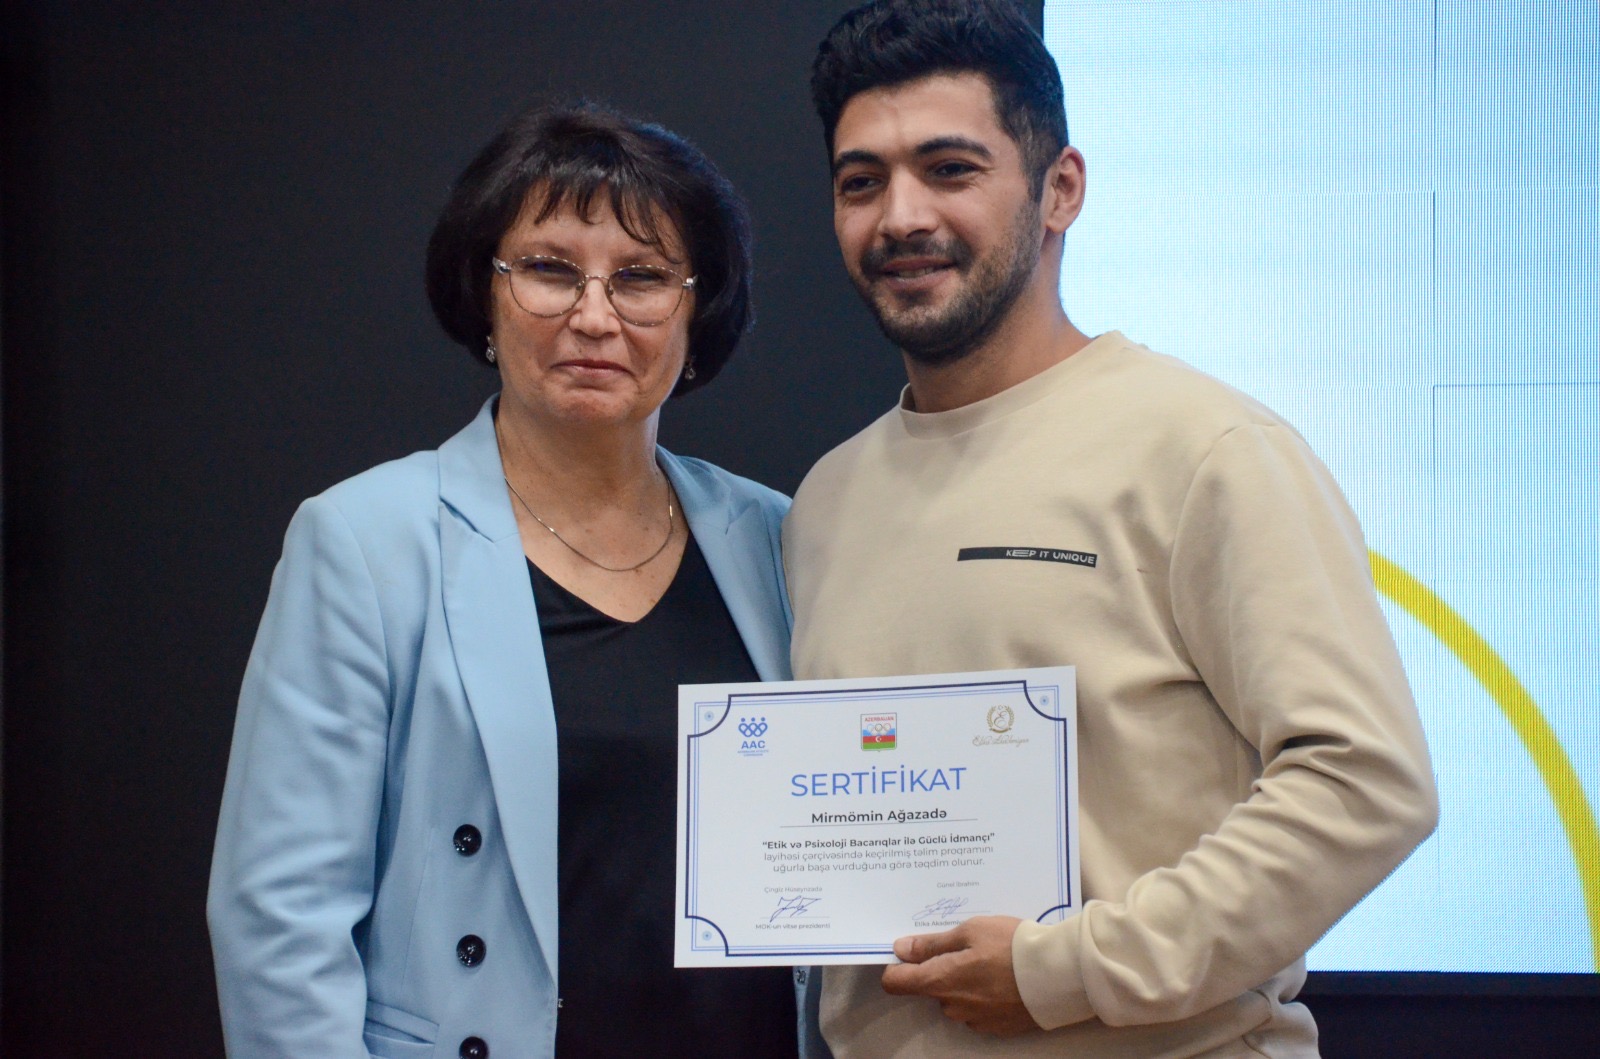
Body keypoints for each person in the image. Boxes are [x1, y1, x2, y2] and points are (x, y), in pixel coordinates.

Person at [781, 2, 1439, 1056]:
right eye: (862, 182)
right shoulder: (825, 499)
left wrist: (1066, 969)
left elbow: (1367, 782)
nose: (900, 216)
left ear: (1060, 190)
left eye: (949, 170)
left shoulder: (1207, 448)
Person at [208, 102, 824, 1058]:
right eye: (548, 270)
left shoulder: (777, 536)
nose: (594, 315)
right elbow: (279, 921)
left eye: (641, 278)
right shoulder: (366, 541)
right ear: (484, 297)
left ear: (696, 313)